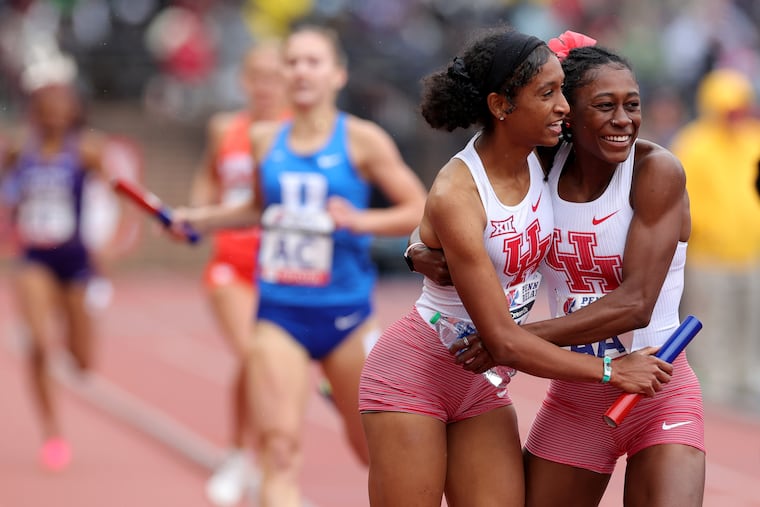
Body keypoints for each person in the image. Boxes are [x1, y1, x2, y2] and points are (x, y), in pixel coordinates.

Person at [358, 27, 672, 507]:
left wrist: (416, 249)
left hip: (483, 382)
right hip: (418, 371)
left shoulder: (543, 158)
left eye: (561, 91)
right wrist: (611, 371)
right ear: (501, 105)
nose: (564, 107)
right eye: (547, 94)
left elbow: (608, 129)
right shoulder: (457, 191)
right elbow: (502, 339)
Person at [175, 24, 427, 507]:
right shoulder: (264, 138)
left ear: (337, 74)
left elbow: (418, 206)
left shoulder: (361, 140)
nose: (300, 71)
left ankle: (339, 392)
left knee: (372, 451)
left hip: (347, 318)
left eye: (313, 62)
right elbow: (257, 207)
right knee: (279, 448)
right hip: (280, 312)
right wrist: (199, 220)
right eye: (292, 62)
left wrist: (357, 220)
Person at [188, 41, 288, 507]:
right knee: (254, 353)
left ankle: (267, 458)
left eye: (274, 76)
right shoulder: (224, 128)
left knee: (275, 367)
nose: (265, 86)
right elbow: (208, 177)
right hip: (231, 263)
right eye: (257, 77)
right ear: (244, 81)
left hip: (286, 269)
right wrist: (200, 216)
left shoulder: (301, 133)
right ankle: (240, 455)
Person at [0, 82, 114, 471]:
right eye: (45, 108)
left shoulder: (86, 151)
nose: (52, 115)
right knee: (39, 343)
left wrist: (112, 243)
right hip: (34, 257)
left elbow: (118, 196)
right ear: (35, 112)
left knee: (82, 362)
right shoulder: (19, 151)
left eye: (60, 107)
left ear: (73, 112)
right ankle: (52, 432)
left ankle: (72, 337)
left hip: (76, 260)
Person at [669, 68, 760, 403]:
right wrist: (707, 230)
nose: (737, 116)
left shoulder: (754, 140)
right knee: (712, 320)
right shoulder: (695, 144)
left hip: (751, 252)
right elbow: (684, 195)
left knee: (751, 319)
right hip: (709, 255)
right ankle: (716, 379)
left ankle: (748, 375)